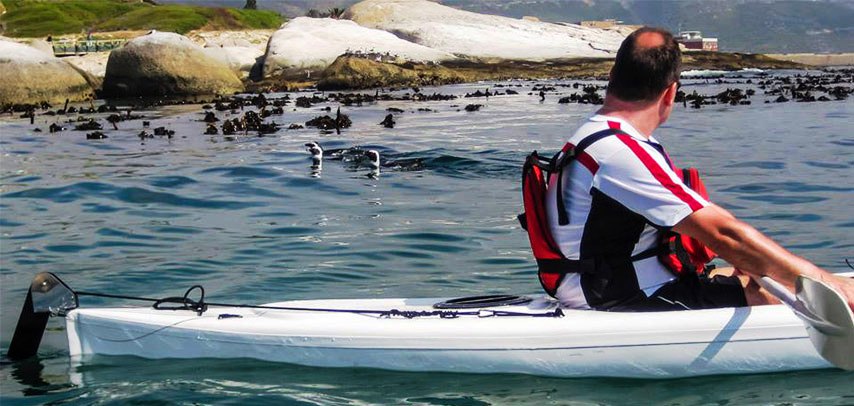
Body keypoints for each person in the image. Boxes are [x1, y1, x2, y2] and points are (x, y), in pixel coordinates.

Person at [544, 26, 854, 312]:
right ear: (671, 91)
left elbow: (709, 220)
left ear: (612, 76)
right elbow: (725, 234)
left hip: (602, 286)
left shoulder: (599, 135)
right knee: (778, 294)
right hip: (621, 298)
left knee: (757, 271)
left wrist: (754, 262)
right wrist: (828, 284)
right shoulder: (620, 152)